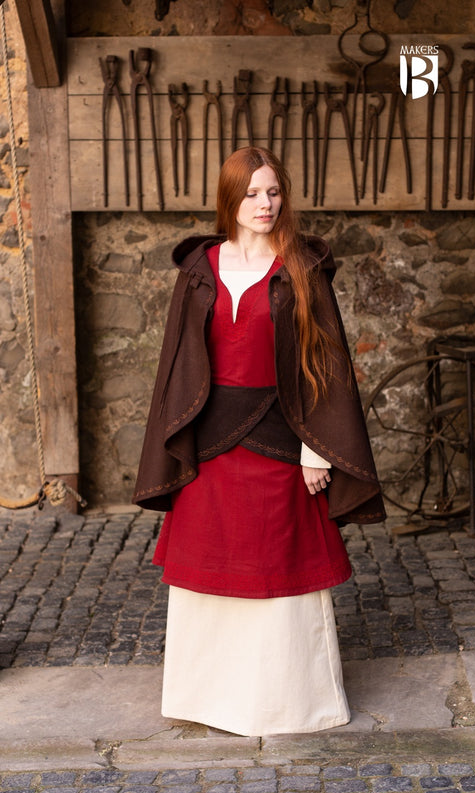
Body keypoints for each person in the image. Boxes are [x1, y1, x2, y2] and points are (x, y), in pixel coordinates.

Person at [133, 146, 385, 736]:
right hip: (209, 443)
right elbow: (178, 364)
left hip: (282, 435)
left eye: (273, 192)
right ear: (230, 199)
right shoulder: (199, 270)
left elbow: (323, 362)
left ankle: (285, 703)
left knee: (280, 563)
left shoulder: (300, 268)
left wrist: (317, 449)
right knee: (210, 564)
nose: (265, 204)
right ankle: (210, 701)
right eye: (251, 194)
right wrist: (179, 437)